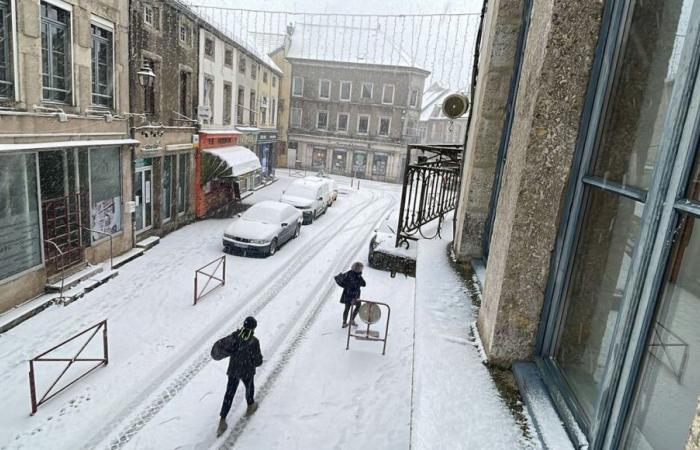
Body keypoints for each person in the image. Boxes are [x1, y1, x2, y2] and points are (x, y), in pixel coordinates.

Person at [213, 316, 263, 437]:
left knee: (229, 394)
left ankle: (222, 421)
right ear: (254, 328)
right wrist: (258, 361)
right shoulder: (254, 341)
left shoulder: (235, 336)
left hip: (234, 370)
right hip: (247, 370)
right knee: (249, 388)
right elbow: (257, 361)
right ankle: (250, 406)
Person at [339, 262, 366, 328]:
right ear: (358, 269)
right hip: (354, 296)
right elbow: (364, 284)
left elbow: (342, 279)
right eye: (361, 269)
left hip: (347, 294)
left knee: (347, 308)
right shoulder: (358, 276)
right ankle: (351, 320)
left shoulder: (349, 273)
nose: (361, 270)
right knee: (358, 306)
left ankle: (344, 322)